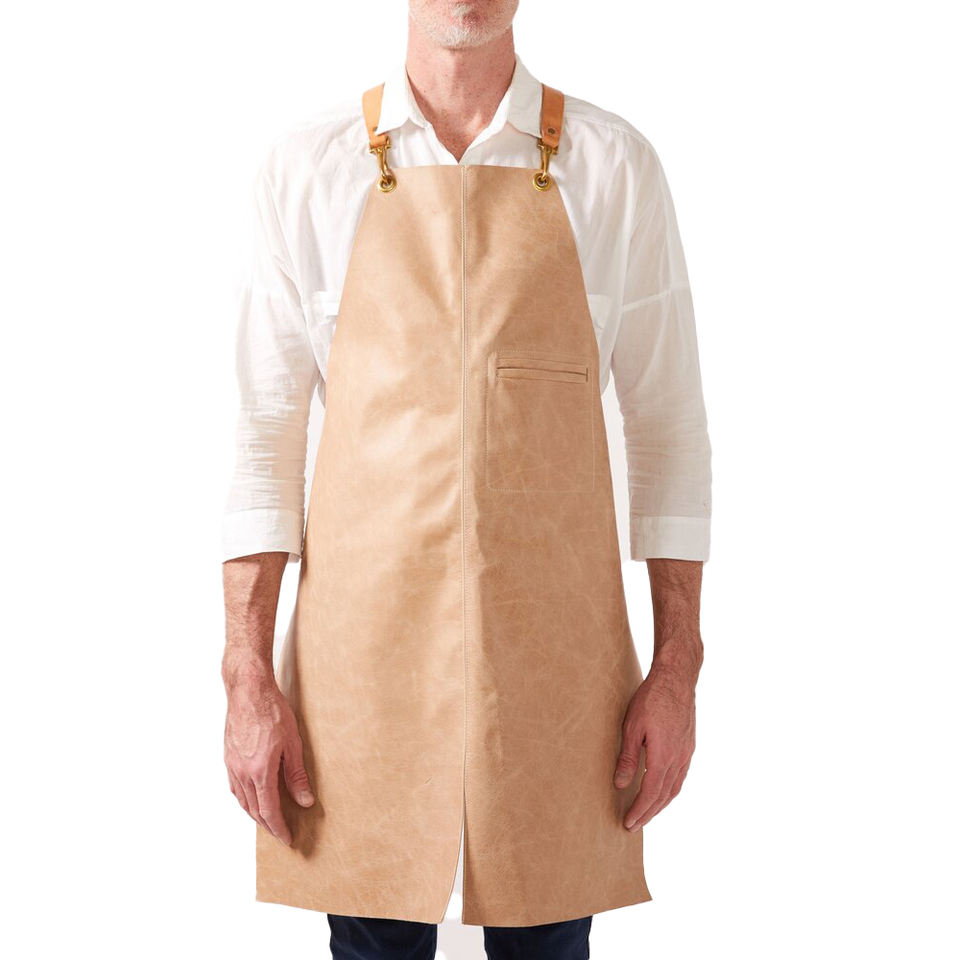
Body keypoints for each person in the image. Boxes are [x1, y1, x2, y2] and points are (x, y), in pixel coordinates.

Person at [220, 1, 711, 957]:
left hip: (560, 683)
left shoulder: (615, 169)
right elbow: (263, 436)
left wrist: (678, 666)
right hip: (359, 679)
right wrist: (245, 673)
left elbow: (669, 431)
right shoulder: (307, 170)